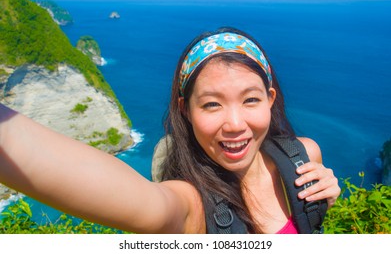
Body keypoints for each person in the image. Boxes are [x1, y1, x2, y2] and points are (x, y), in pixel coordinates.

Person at [0, 27, 340, 234]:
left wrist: (323, 203)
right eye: (211, 104)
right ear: (185, 111)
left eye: (250, 100)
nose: (235, 124)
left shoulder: (304, 157)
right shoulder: (191, 204)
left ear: (270, 100)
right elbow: (141, 200)